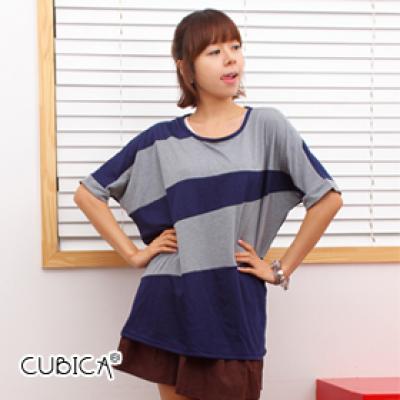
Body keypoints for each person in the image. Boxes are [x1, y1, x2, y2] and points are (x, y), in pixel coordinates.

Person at [74, 8, 343, 400]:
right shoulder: (161, 140)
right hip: (171, 298)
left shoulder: (268, 127)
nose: (230, 58)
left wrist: (280, 269)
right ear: (186, 68)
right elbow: (88, 193)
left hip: (233, 304)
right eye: (214, 51)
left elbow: (327, 199)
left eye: (235, 46)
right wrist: (134, 254)